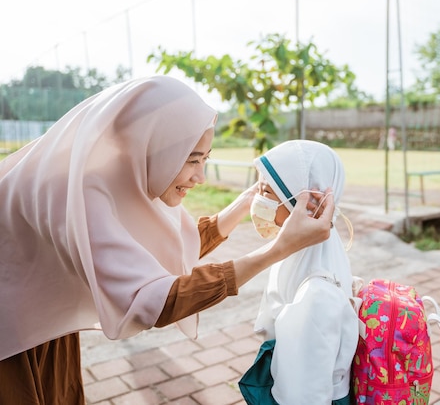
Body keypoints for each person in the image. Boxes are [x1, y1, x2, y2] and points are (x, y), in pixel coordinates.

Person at [0, 75, 334, 404]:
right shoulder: (77, 190)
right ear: (152, 146)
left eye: (206, 159)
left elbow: (160, 250)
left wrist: (245, 203)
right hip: (13, 340)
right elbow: (152, 301)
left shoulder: (118, 171)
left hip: (44, 325)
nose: (200, 177)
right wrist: (277, 249)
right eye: (192, 160)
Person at [239, 140, 359, 405]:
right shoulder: (305, 252)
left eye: (267, 191)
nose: (257, 200)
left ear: (308, 203)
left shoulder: (316, 293)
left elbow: (305, 396)